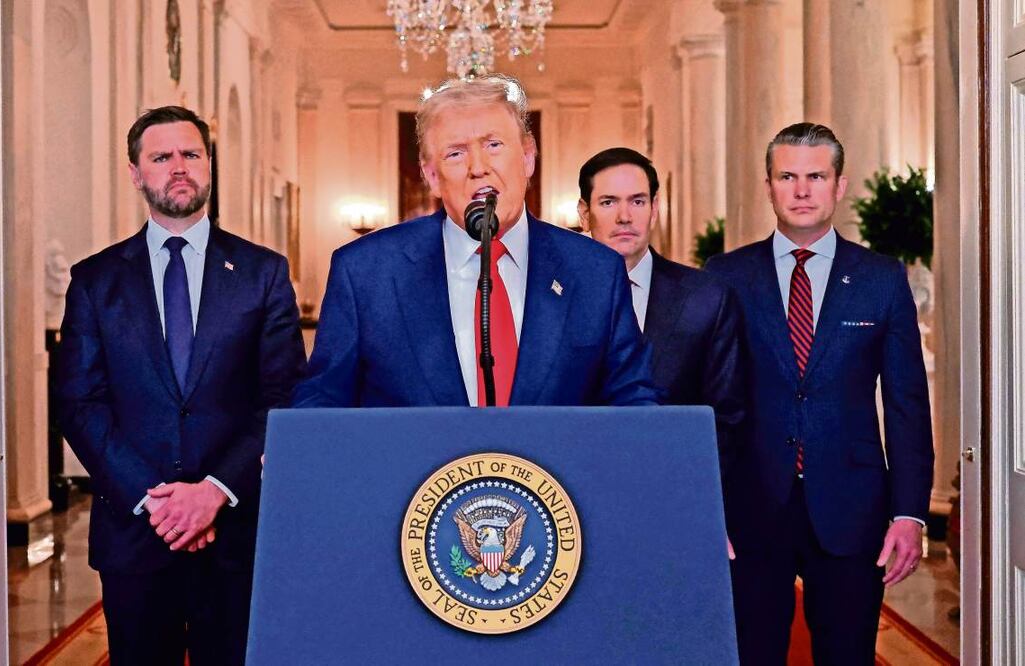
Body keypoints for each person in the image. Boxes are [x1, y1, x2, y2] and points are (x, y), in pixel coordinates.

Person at [53, 106, 307, 665]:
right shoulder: (96, 280)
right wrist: (158, 502)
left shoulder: (263, 273)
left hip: (236, 531)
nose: (178, 167)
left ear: (210, 165)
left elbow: (283, 398)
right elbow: (78, 403)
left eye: (191, 154)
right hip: (135, 534)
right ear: (136, 172)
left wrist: (214, 491)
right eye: (161, 156)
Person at [704, 122, 934, 664]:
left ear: (839, 185)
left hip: (852, 510)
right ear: (769, 186)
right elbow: (707, 404)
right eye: (788, 176)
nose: (802, 190)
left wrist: (910, 513)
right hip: (751, 507)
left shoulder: (881, 278)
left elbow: (906, 405)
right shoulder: (724, 277)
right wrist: (704, 508)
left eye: (815, 176)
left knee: (848, 655)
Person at [292, 75, 656, 407]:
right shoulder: (366, 271)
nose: (478, 166)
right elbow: (323, 398)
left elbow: (633, 398)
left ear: (528, 158)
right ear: (432, 177)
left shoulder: (595, 270)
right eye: (456, 153)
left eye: (494, 144)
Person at [578, 147, 745, 477]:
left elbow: (727, 420)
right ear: (585, 213)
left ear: (654, 209)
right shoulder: (553, 297)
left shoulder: (706, 298)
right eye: (609, 202)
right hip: (571, 495)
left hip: (676, 490)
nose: (625, 216)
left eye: (637, 201)